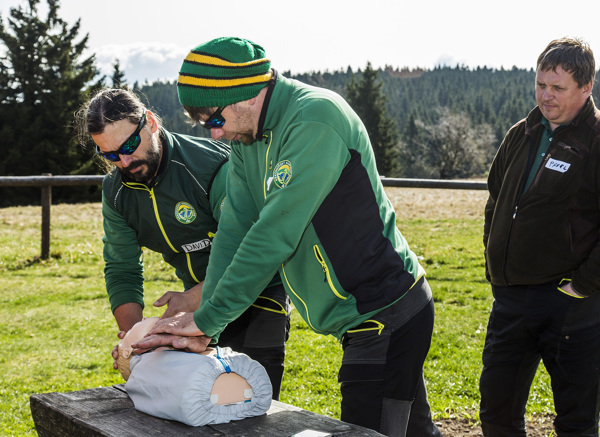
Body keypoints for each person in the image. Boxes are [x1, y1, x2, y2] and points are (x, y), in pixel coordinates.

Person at [132, 37, 442, 437]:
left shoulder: (315, 120)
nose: (214, 135)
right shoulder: (248, 138)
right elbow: (234, 230)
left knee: (370, 430)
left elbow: (272, 236)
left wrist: (208, 320)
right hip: (361, 314)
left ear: (245, 94)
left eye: (214, 119)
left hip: (385, 311)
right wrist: (205, 316)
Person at [75, 88, 290, 400]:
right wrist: (136, 340)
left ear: (150, 122)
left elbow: (249, 250)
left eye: (130, 145)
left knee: (251, 400)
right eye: (109, 155)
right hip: (195, 300)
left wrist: (192, 299)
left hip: (257, 291)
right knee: (199, 402)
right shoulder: (116, 192)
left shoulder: (211, 167)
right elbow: (122, 268)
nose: (124, 161)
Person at [480, 37, 600, 436]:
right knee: (496, 412)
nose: (546, 96)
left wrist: (582, 286)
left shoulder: (597, 141)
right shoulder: (523, 132)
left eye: (558, 88)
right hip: (512, 298)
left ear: (587, 87)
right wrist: (495, 260)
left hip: (569, 304)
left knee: (575, 420)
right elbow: (496, 198)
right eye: (540, 85)